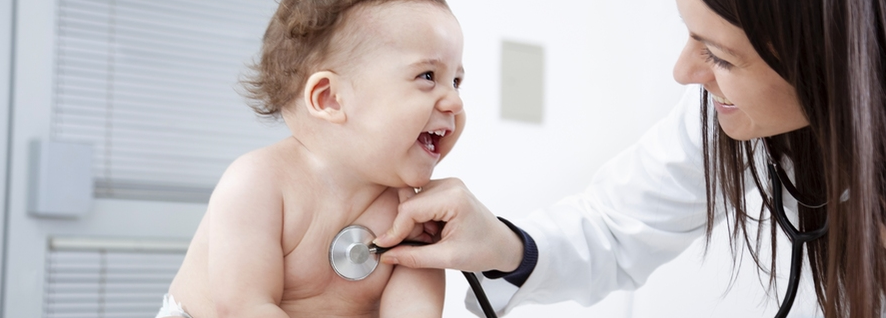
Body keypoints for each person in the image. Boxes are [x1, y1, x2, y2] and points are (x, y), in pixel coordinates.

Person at [372, 0, 886, 317]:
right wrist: (505, 245)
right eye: (690, 35)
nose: (684, 72)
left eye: (720, 56)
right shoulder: (723, 113)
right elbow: (616, 226)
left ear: (831, 63)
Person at [157, 0, 466, 317]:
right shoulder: (258, 183)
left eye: (456, 81)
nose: (455, 102)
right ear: (330, 98)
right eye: (428, 76)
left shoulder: (414, 217)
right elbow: (244, 307)